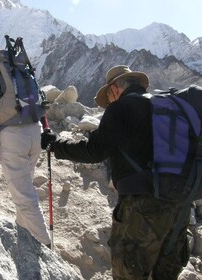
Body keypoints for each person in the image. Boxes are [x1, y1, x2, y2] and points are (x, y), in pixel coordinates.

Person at [41, 65, 190, 279]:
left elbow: (95, 151)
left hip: (143, 206)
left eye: (109, 97)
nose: (109, 102)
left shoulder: (121, 108)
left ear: (114, 88)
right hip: (181, 204)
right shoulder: (164, 106)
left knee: (128, 272)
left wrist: (56, 145)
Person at [0, 47, 51, 247]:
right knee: (25, 187)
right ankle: (23, 231)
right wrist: (46, 130)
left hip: (13, 137)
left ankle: (47, 247)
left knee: (25, 197)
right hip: (36, 130)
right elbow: (37, 101)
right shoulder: (17, 72)